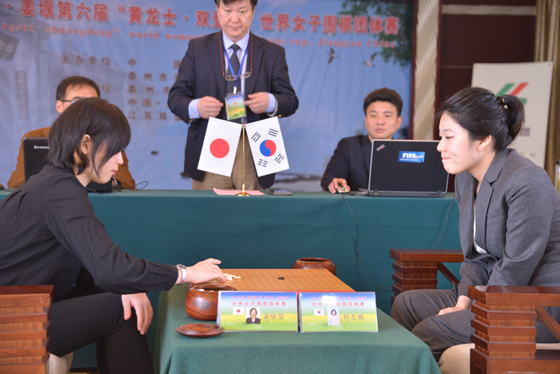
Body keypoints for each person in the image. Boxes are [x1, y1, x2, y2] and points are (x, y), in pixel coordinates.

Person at [0, 98, 227, 374]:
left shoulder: (55, 184)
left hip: (23, 308)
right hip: (12, 318)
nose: (120, 160)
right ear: (85, 145)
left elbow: (92, 270)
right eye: (116, 149)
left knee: (123, 301)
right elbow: (109, 269)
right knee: (122, 310)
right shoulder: (60, 191)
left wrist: (128, 286)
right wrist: (185, 273)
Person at [390, 87, 560, 360]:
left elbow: (516, 269)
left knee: (434, 329)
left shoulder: (527, 180)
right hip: (492, 294)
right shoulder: (466, 179)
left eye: (448, 137)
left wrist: (473, 311)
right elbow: (475, 257)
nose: (439, 146)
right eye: (440, 137)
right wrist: (462, 304)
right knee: (406, 304)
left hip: (537, 306)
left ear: (482, 140)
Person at [168, 0, 298, 191]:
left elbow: (290, 101)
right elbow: (176, 97)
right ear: (217, 11)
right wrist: (198, 107)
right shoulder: (198, 48)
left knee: (253, 215)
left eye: (242, 11)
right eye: (228, 11)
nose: (234, 19)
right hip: (212, 141)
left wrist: (270, 102)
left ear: (253, 12)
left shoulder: (272, 52)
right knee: (211, 213)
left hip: (256, 145)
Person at [7, 76, 136, 189]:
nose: (85, 110)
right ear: (59, 106)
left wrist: (104, 182)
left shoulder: (108, 140)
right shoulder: (35, 137)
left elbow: (126, 182)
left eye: (92, 103)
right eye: (77, 102)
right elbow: (17, 182)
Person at [321, 88, 403, 193]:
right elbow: (330, 177)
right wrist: (335, 182)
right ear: (366, 120)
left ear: (398, 122)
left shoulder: (406, 151)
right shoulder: (349, 146)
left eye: (387, 116)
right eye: (373, 116)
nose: (380, 122)